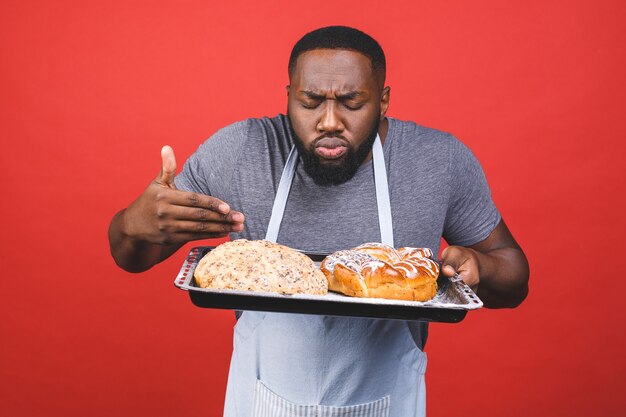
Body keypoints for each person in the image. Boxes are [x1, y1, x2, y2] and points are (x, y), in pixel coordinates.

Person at [109, 26, 529, 417]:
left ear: (383, 100)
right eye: (310, 102)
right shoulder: (241, 151)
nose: (329, 122)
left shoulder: (439, 161)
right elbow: (131, 256)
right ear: (289, 95)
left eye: (352, 103)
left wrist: (480, 266)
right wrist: (133, 224)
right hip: (261, 401)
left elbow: (514, 279)